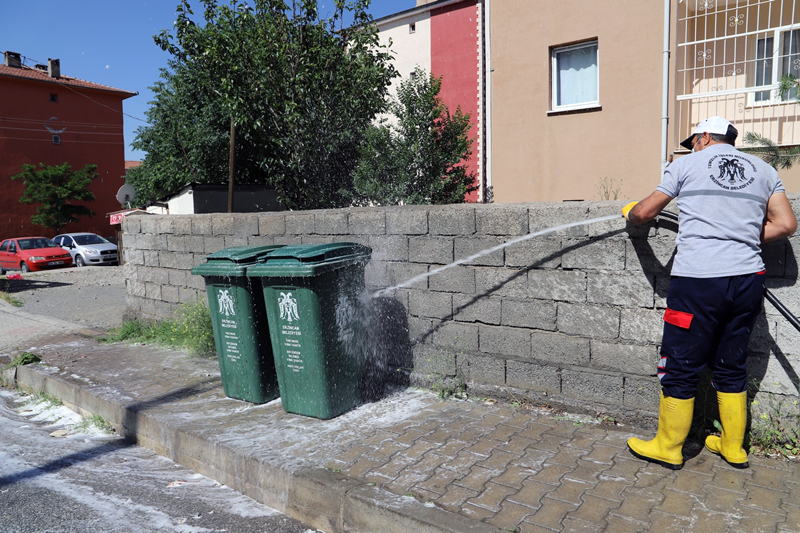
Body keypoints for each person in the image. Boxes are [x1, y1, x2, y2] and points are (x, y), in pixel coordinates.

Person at [622, 116, 797, 470]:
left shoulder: (685, 164)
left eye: (694, 142)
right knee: (731, 363)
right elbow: (786, 224)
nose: (692, 148)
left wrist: (633, 214)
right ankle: (733, 448)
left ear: (703, 137)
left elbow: (646, 211)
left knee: (681, 364)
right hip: (748, 279)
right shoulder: (763, 170)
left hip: (699, 281)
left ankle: (669, 447)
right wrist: (741, 235)